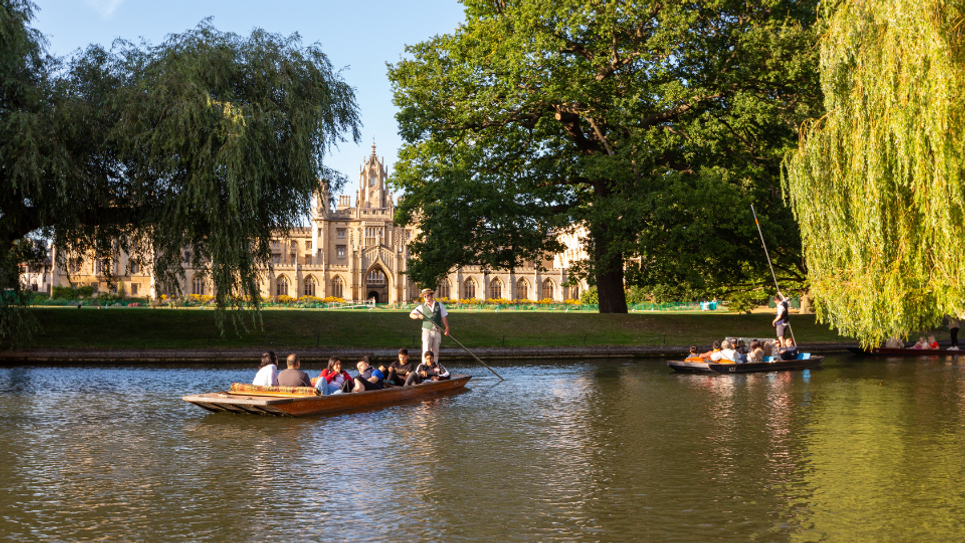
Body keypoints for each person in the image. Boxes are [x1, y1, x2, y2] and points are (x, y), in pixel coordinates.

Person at [409, 288, 450, 363]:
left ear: (431, 295)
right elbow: (411, 315)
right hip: (427, 330)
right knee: (426, 350)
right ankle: (424, 367)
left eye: (428, 295)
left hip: (437, 330)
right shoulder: (421, 307)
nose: (426, 297)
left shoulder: (439, 305)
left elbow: (444, 316)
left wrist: (447, 328)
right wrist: (418, 316)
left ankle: (435, 367)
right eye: (424, 296)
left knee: (436, 351)